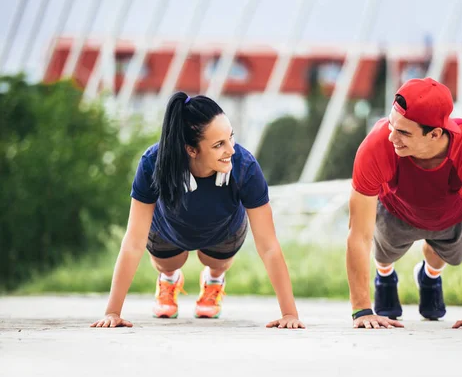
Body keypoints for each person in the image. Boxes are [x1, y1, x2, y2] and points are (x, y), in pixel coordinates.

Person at [91, 92, 304, 329]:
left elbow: (269, 246)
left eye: (230, 138)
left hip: (224, 228)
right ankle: (168, 279)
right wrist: (112, 312)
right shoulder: (153, 162)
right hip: (167, 228)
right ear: (191, 150)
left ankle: (214, 280)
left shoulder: (245, 168)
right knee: (169, 263)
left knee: (214, 260)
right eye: (218, 145)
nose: (231, 150)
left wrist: (289, 314)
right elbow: (133, 243)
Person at [346, 77, 462, 330]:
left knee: (439, 255)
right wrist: (362, 310)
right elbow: (359, 235)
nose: (391, 137)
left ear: (435, 134)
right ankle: (384, 276)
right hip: (396, 210)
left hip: (452, 215)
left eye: (403, 132)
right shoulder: (376, 145)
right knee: (384, 253)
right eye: (391, 124)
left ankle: (429, 276)